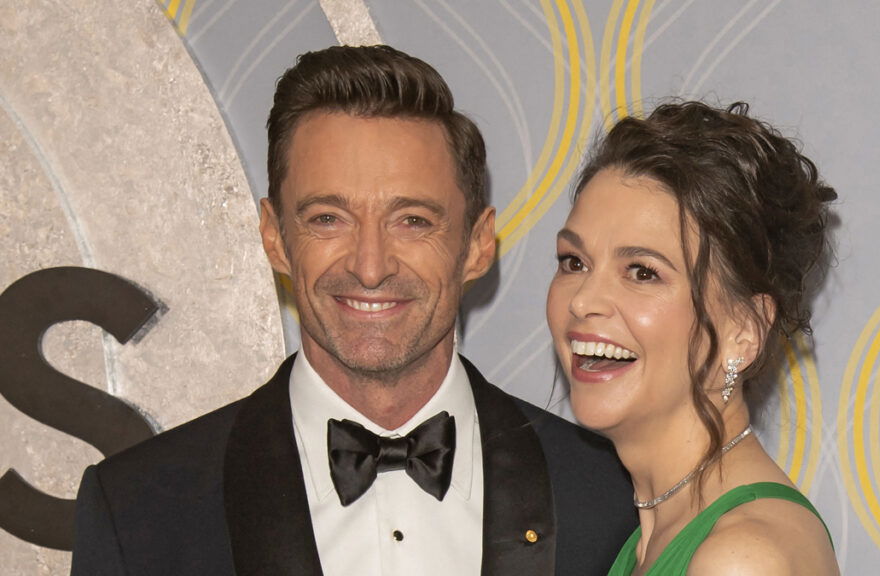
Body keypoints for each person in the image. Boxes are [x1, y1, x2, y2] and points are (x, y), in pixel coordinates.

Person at [71, 45, 636, 576]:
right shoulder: (139, 510)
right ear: (274, 236)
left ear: (477, 245)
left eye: (412, 220)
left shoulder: (614, 492)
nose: (370, 267)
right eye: (327, 218)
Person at [546, 101, 839, 575]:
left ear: (743, 330)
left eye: (642, 272)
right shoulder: (660, 531)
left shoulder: (740, 558)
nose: (583, 301)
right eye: (573, 262)